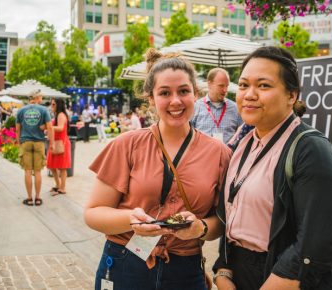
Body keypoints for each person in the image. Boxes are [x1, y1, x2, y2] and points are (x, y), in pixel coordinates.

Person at [202, 46, 332, 290]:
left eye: (263, 86)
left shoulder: (311, 150)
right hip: (241, 273)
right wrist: (224, 269)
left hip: (286, 277)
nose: (249, 95)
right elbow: (234, 215)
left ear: (291, 95)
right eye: (243, 85)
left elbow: (317, 244)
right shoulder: (245, 144)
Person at [84, 48, 231, 290]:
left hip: (185, 269)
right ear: (151, 98)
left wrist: (199, 228)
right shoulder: (127, 144)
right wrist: (131, 220)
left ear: (196, 94)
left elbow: (222, 223)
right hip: (126, 262)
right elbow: (93, 213)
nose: (175, 101)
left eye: (184, 91)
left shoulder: (219, 153)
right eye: (164, 92)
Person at [16, 89, 54, 206]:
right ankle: (37, 198)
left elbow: (18, 129)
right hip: (39, 143)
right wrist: (51, 143)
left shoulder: (21, 110)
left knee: (27, 171)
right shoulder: (44, 110)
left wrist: (19, 143)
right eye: (41, 97)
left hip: (26, 142)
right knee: (37, 172)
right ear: (36, 98)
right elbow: (50, 127)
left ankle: (29, 198)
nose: (42, 99)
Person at [192, 68, 242, 143]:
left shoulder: (235, 108)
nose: (225, 90)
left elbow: (243, 134)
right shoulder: (195, 107)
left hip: (228, 154)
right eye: (221, 86)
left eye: (227, 86)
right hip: (204, 154)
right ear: (209, 84)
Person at [47, 98, 71, 196]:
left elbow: (61, 128)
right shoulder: (57, 114)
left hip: (61, 143)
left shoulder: (61, 115)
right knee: (52, 165)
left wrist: (50, 128)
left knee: (62, 167)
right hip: (56, 142)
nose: (51, 106)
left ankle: (62, 188)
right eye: (51, 104)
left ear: (58, 105)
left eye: (53, 104)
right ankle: (58, 185)